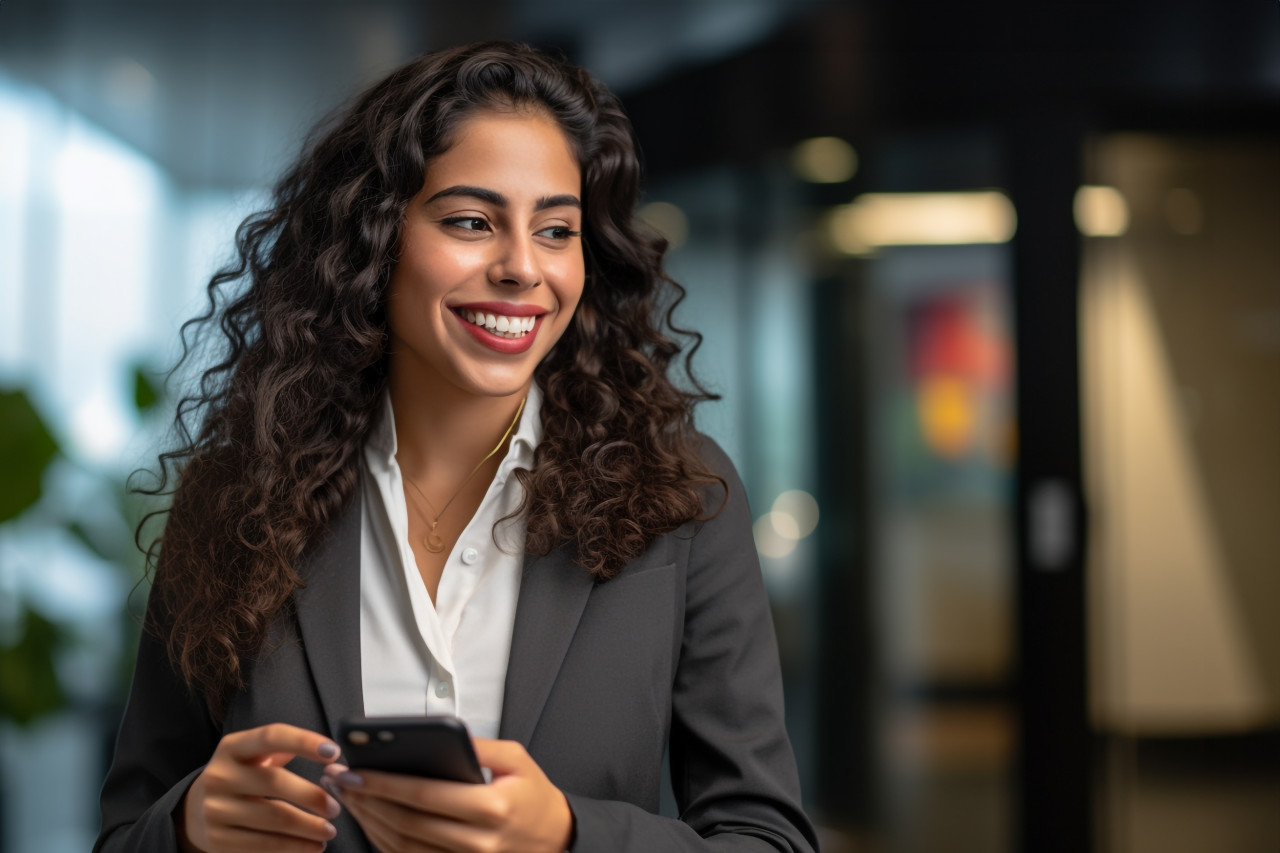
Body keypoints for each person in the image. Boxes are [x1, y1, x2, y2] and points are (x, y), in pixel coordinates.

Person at [95, 41, 818, 853]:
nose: (520, 267)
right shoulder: (237, 495)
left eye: (556, 230)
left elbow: (767, 838)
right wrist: (188, 827)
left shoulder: (680, 495)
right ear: (374, 240)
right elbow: (126, 830)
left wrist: (570, 836)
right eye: (471, 222)